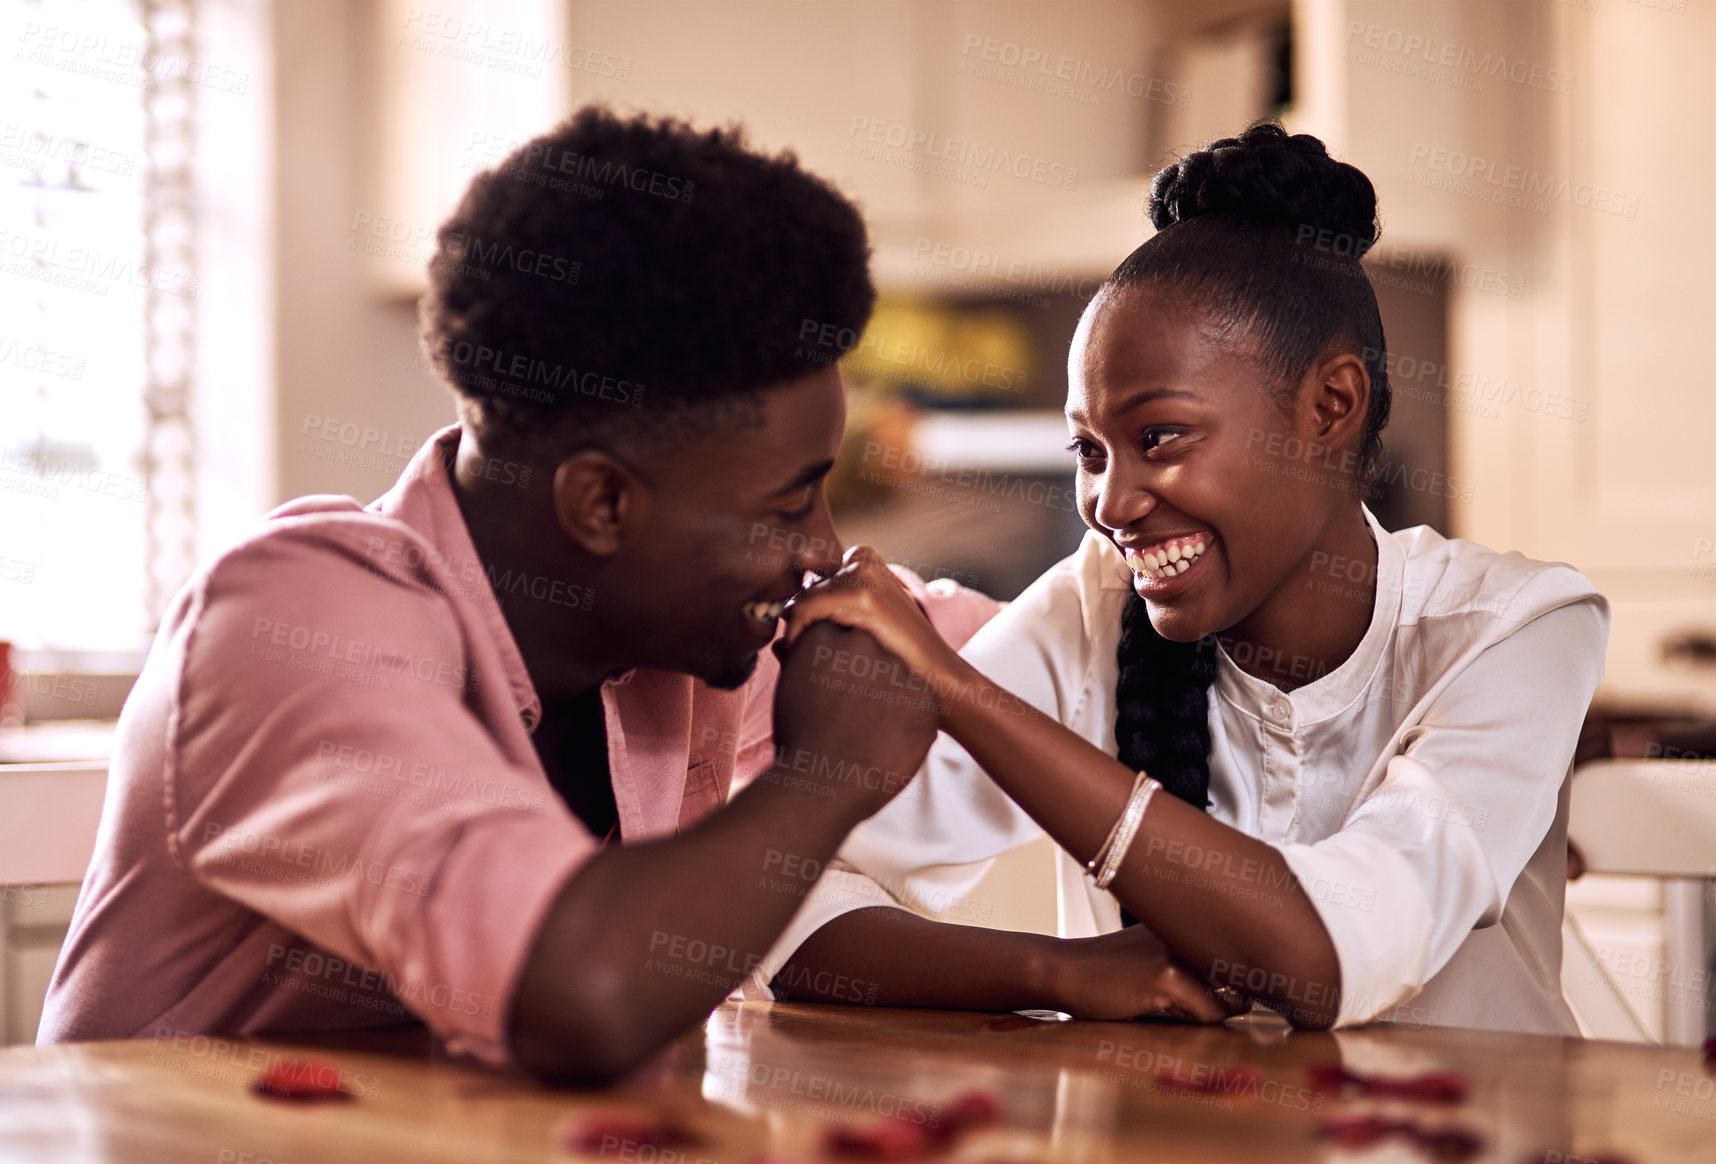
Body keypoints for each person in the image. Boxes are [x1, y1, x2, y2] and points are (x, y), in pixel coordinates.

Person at [38, 107, 1228, 1084]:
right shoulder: (294, 623)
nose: (821, 548)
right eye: (787, 503)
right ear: (602, 505)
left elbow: (1026, 652)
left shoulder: (690, 638)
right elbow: (582, 995)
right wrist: (828, 777)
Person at [773, 123, 1610, 1035]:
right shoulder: (1093, 607)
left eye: (1160, 438)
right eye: (1088, 451)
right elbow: (782, 897)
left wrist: (955, 686)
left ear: (1331, 407)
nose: (1110, 502)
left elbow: (1332, 957)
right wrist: (1060, 970)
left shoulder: (1518, 627)